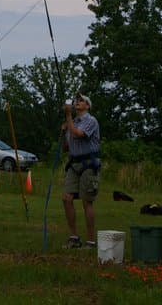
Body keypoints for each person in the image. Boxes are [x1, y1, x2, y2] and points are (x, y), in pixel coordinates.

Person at [61, 94, 100, 249]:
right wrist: (64, 132)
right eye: (76, 100)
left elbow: (78, 134)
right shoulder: (73, 122)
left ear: (88, 106)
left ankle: (90, 241)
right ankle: (74, 237)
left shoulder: (91, 121)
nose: (78, 102)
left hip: (89, 163)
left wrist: (68, 115)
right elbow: (65, 147)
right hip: (74, 163)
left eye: (81, 100)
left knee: (87, 201)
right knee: (66, 198)